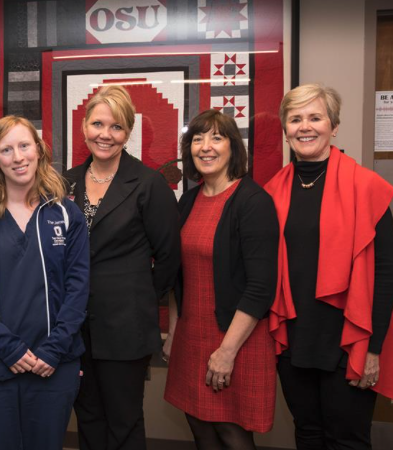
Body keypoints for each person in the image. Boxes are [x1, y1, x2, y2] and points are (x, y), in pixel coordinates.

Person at [265, 84, 393, 450]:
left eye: (315, 117)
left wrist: (374, 348)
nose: (305, 127)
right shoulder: (272, 191)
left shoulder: (369, 187)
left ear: (333, 126)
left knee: (347, 440)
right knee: (307, 434)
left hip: (349, 338)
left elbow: (385, 273)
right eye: (295, 119)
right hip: (294, 339)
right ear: (286, 129)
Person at [0, 115, 89, 450]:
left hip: (52, 364)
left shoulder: (65, 214)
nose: (18, 157)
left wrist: (54, 348)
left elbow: (78, 286)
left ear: (40, 151)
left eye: (24, 145)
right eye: (7, 149)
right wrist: (8, 347)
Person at [65, 85, 180, 450]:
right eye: (98, 124)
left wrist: (139, 295)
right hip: (73, 326)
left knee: (124, 421)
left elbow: (169, 258)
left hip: (125, 326)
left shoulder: (148, 184)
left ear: (128, 132)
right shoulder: (64, 181)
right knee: (87, 415)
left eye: (116, 127)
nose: (105, 134)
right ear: (83, 127)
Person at [162, 110, 279, 449]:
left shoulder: (252, 202)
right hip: (191, 336)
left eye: (216, 137)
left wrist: (227, 351)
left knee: (233, 434)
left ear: (233, 148)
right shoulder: (188, 200)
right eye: (198, 139)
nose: (205, 146)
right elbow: (176, 273)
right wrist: (173, 330)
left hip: (236, 339)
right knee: (200, 429)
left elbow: (261, 287)